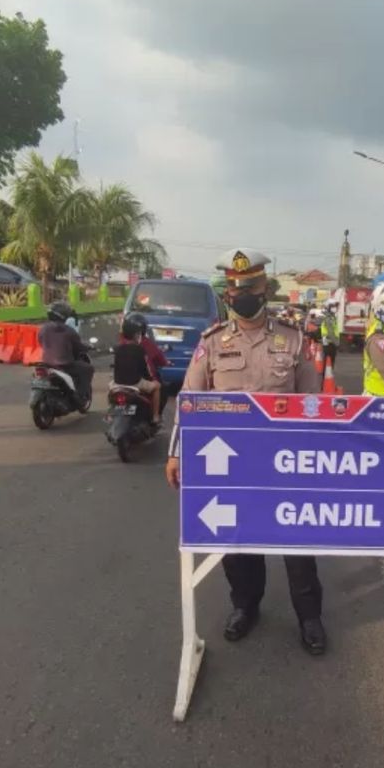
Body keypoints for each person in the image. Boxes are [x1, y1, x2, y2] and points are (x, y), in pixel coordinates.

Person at [164, 248, 328, 655]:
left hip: (285, 467)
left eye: (249, 287)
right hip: (230, 468)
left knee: (297, 547)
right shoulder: (212, 344)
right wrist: (176, 453)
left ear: (265, 289)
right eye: (233, 288)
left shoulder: (292, 341)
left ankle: (309, 617)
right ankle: (245, 607)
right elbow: (190, 401)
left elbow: (313, 403)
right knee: (237, 545)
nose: (241, 294)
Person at [37, 301, 93, 401]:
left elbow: (40, 341)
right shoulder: (68, 330)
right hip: (64, 364)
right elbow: (78, 347)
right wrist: (88, 347)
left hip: (46, 363)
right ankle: (81, 394)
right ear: (64, 316)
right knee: (88, 369)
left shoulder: (43, 329)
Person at [112, 313, 161, 425]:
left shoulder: (118, 349)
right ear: (136, 335)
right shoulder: (140, 350)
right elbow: (146, 369)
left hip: (117, 383)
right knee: (157, 386)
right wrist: (151, 379)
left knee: (111, 394)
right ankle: (155, 416)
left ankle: (111, 415)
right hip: (135, 383)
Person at [321, 300, 340, 368]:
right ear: (328, 307)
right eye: (333, 306)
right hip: (329, 342)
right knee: (329, 363)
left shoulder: (331, 317)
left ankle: (327, 375)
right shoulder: (329, 318)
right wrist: (336, 343)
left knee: (328, 362)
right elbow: (331, 332)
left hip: (330, 342)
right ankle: (326, 376)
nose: (335, 308)